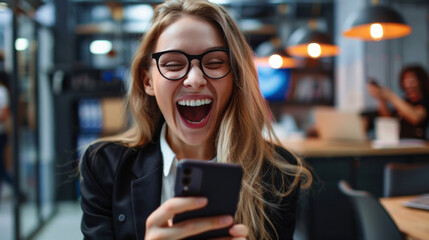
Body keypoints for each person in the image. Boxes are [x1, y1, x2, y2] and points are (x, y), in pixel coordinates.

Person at [79, 0, 312, 239]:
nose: (195, 79)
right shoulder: (104, 166)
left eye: (214, 62)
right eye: (172, 64)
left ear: (235, 77)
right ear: (147, 81)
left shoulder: (277, 174)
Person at [367, 65, 429, 139]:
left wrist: (391, 96)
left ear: (420, 81)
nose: (407, 84)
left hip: (418, 146)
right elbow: (389, 120)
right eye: (405, 81)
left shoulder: (425, 101)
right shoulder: (405, 102)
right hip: (400, 144)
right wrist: (381, 98)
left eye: (411, 81)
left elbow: (415, 117)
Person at [0, 72, 12, 203]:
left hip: (1, 133)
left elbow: (5, 112)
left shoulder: (2, 91)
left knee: (2, 166)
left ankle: (16, 189)